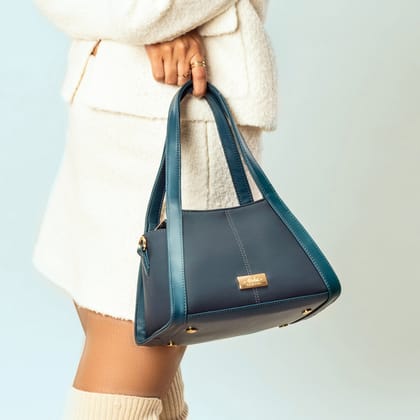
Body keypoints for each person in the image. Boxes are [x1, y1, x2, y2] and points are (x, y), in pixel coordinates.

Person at [32, 0, 278, 418]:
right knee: (140, 376)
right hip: (103, 111)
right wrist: (151, 25)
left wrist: (152, 23)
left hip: (184, 120)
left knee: (120, 386)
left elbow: (142, 13)